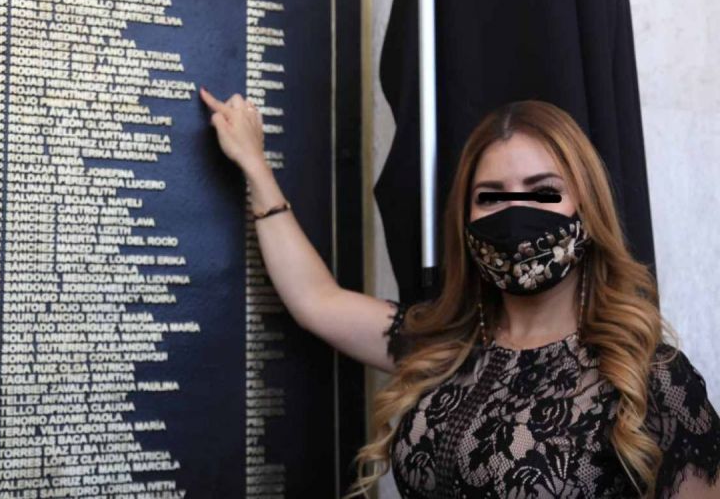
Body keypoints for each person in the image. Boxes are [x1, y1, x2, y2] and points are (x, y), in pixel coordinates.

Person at [199, 88, 720, 499]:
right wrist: (255, 166)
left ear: (587, 209)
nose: (515, 213)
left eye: (543, 192)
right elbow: (317, 301)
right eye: (490, 197)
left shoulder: (648, 378)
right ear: (465, 219)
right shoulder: (445, 346)